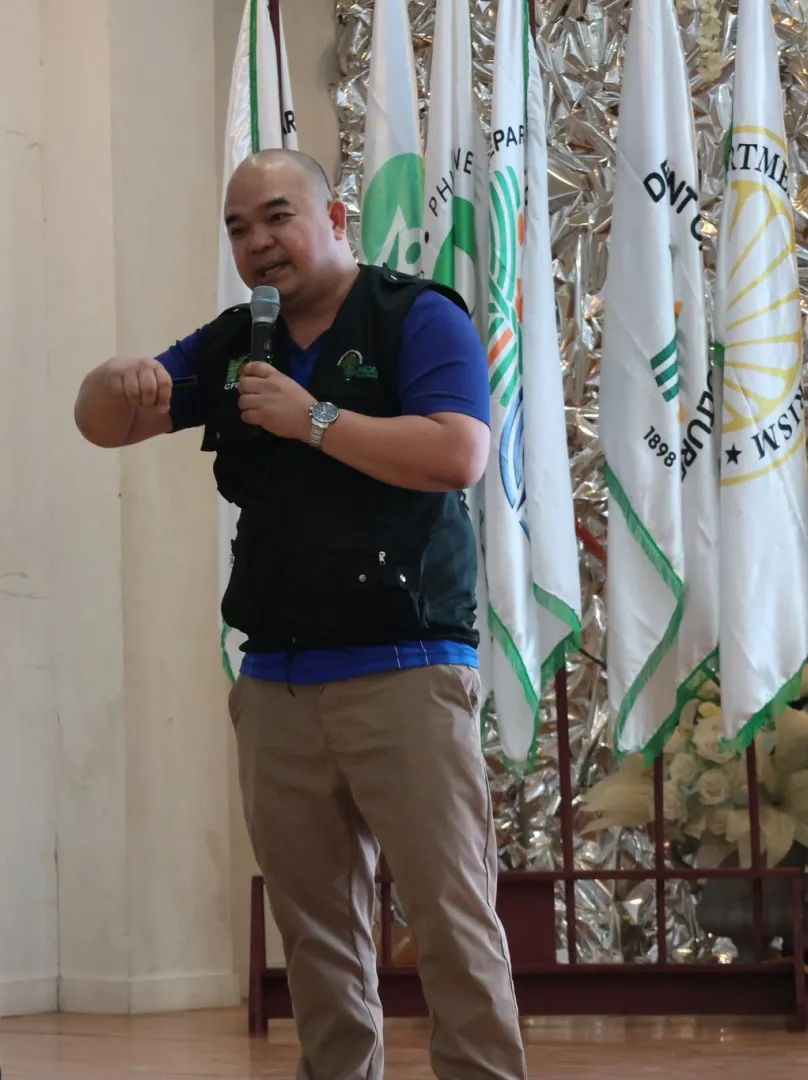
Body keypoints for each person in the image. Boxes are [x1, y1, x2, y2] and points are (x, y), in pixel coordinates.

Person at [73, 148, 526, 1080]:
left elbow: (457, 454)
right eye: (238, 228)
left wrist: (312, 419)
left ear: (336, 217)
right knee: (315, 935)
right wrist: (114, 377)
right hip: (277, 684)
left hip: (405, 672)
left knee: (449, 920)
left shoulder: (416, 315)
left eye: (277, 217)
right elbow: (105, 424)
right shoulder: (241, 339)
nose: (258, 243)